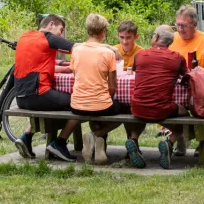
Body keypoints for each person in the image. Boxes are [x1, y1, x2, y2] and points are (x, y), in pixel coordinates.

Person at [12, 14, 78, 162]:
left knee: (53, 103)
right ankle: (59, 143)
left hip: (21, 98)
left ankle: (26, 137)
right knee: (79, 102)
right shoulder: (48, 37)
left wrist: (65, 67)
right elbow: (78, 48)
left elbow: (41, 66)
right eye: (60, 30)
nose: (60, 34)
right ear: (51, 24)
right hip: (39, 95)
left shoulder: (25, 38)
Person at [125, 25, 189, 169]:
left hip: (138, 107)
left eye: (153, 35)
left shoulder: (140, 55)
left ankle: (134, 139)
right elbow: (187, 76)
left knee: (142, 111)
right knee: (185, 114)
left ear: (157, 38)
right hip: (162, 108)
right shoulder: (177, 57)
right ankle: (169, 142)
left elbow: (136, 70)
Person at [69, 13, 127, 165]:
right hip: (101, 105)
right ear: (103, 33)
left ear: (88, 31)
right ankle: (97, 136)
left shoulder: (76, 51)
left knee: (95, 110)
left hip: (77, 106)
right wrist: (106, 97)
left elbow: (75, 74)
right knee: (123, 109)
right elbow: (113, 87)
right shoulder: (108, 53)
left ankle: (97, 147)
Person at [168, 5, 204, 157]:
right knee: (165, 107)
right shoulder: (171, 39)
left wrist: (203, 71)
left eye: (183, 26)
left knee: (202, 109)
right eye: (177, 25)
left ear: (195, 24)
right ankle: (179, 138)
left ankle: (202, 142)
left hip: (200, 90)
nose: (179, 29)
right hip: (177, 89)